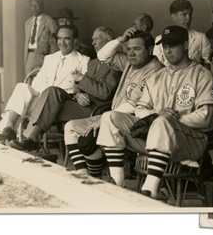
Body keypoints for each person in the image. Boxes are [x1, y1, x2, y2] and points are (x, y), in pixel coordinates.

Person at [97, 25, 213, 199]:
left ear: (185, 45)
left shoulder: (202, 75)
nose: (167, 51)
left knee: (162, 121)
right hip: (155, 138)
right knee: (110, 117)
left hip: (190, 142)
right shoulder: (157, 76)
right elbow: (139, 109)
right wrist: (157, 114)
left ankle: (150, 189)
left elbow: (206, 119)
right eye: (165, 46)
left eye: (173, 45)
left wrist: (171, 120)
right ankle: (117, 181)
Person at [64, 27, 163, 177]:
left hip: (136, 122)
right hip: (113, 115)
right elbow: (102, 56)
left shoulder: (155, 70)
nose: (131, 53)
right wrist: (120, 39)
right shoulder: (131, 62)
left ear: (150, 50)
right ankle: (85, 177)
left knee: (95, 134)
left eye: (137, 49)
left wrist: (104, 118)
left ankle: (114, 182)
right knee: (71, 127)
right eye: (129, 49)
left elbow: (133, 105)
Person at [10, 27, 121, 153]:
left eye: (97, 39)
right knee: (52, 91)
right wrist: (77, 93)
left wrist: (82, 78)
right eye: (93, 40)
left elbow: (105, 93)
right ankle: (32, 137)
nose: (93, 43)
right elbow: (79, 87)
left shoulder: (116, 64)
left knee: (46, 104)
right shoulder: (94, 62)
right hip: (80, 104)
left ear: (109, 41)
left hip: (95, 109)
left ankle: (30, 138)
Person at [0, 24, 89, 143]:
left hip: (59, 103)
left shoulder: (83, 60)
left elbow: (84, 86)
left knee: (21, 105)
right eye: (59, 38)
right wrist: (40, 95)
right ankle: (9, 127)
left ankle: (10, 131)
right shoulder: (50, 58)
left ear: (74, 40)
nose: (62, 42)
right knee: (22, 87)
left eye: (67, 38)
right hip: (41, 98)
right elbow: (36, 83)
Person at [153, 0, 213, 66]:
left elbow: (208, 63)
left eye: (190, 14)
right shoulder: (160, 39)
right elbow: (157, 65)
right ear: (174, 17)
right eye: (184, 14)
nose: (188, 18)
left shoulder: (201, 37)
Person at [22, 0, 57, 78]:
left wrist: (51, 61)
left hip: (43, 58)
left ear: (42, 5)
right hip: (29, 57)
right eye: (32, 6)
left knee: (42, 83)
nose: (34, 8)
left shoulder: (49, 21)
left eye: (37, 5)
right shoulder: (28, 23)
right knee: (29, 83)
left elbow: (55, 44)